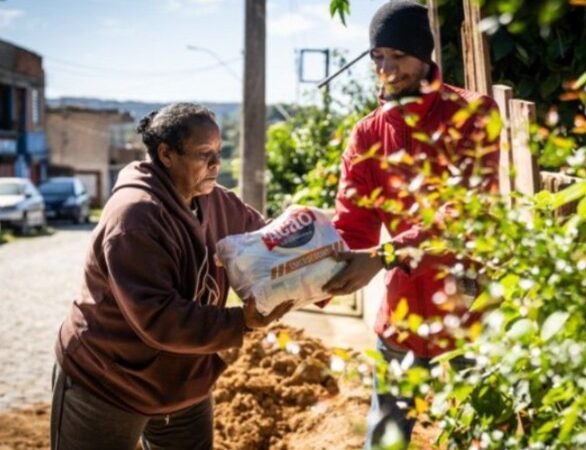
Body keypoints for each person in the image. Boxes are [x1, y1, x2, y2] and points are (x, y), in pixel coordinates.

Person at [50, 103, 293, 450]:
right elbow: (159, 318)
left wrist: (317, 259)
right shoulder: (135, 218)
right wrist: (243, 321)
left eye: (219, 153)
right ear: (166, 153)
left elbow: (266, 240)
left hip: (181, 382)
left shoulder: (215, 200)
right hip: (107, 380)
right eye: (203, 154)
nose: (216, 165)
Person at [322, 1, 500, 448]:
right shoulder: (367, 134)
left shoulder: (472, 113)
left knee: (479, 436)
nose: (386, 68)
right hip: (401, 316)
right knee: (385, 439)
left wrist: (385, 255)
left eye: (397, 56)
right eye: (378, 57)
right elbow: (353, 226)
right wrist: (302, 281)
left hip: (467, 314)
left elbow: (465, 209)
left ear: (425, 55)